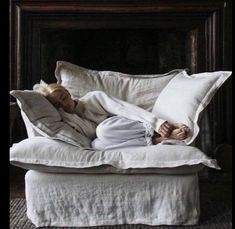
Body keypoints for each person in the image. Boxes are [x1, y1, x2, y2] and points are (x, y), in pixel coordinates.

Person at [33, 82, 190, 150]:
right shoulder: (68, 119)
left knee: (103, 130)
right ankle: (156, 141)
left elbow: (125, 109)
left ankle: (158, 131)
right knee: (96, 145)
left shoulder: (92, 98)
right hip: (110, 139)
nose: (64, 105)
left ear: (67, 92)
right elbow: (89, 135)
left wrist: (157, 122)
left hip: (125, 125)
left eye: (63, 99)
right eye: (58, 105)